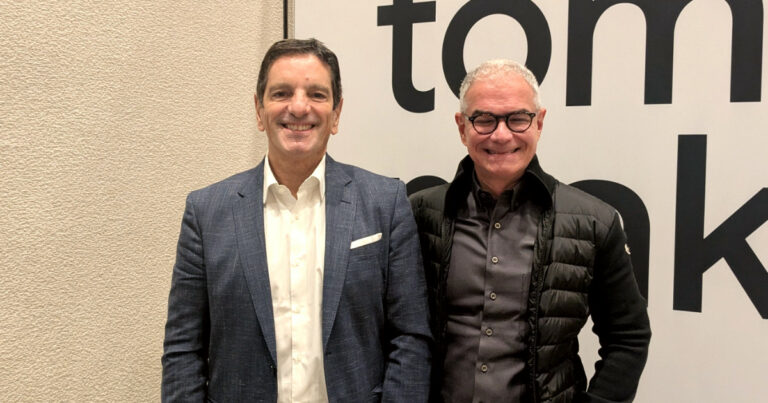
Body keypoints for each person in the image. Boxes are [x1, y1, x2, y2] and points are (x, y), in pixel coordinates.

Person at [162, 38, 431, 402]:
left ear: (336, 113)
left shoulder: (385, 203)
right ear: (259, 111)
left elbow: (410, 338)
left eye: (317, 94)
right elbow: (183, 350)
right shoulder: (206, 212)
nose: (299, 107)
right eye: (282, 93)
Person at [409, 60, 651, 403]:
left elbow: (628, 336)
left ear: (539, 123)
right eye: (484, 119)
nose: (501, 135)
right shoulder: (419, 214)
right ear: (462, 127)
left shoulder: (595, 223)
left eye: (518, 118)